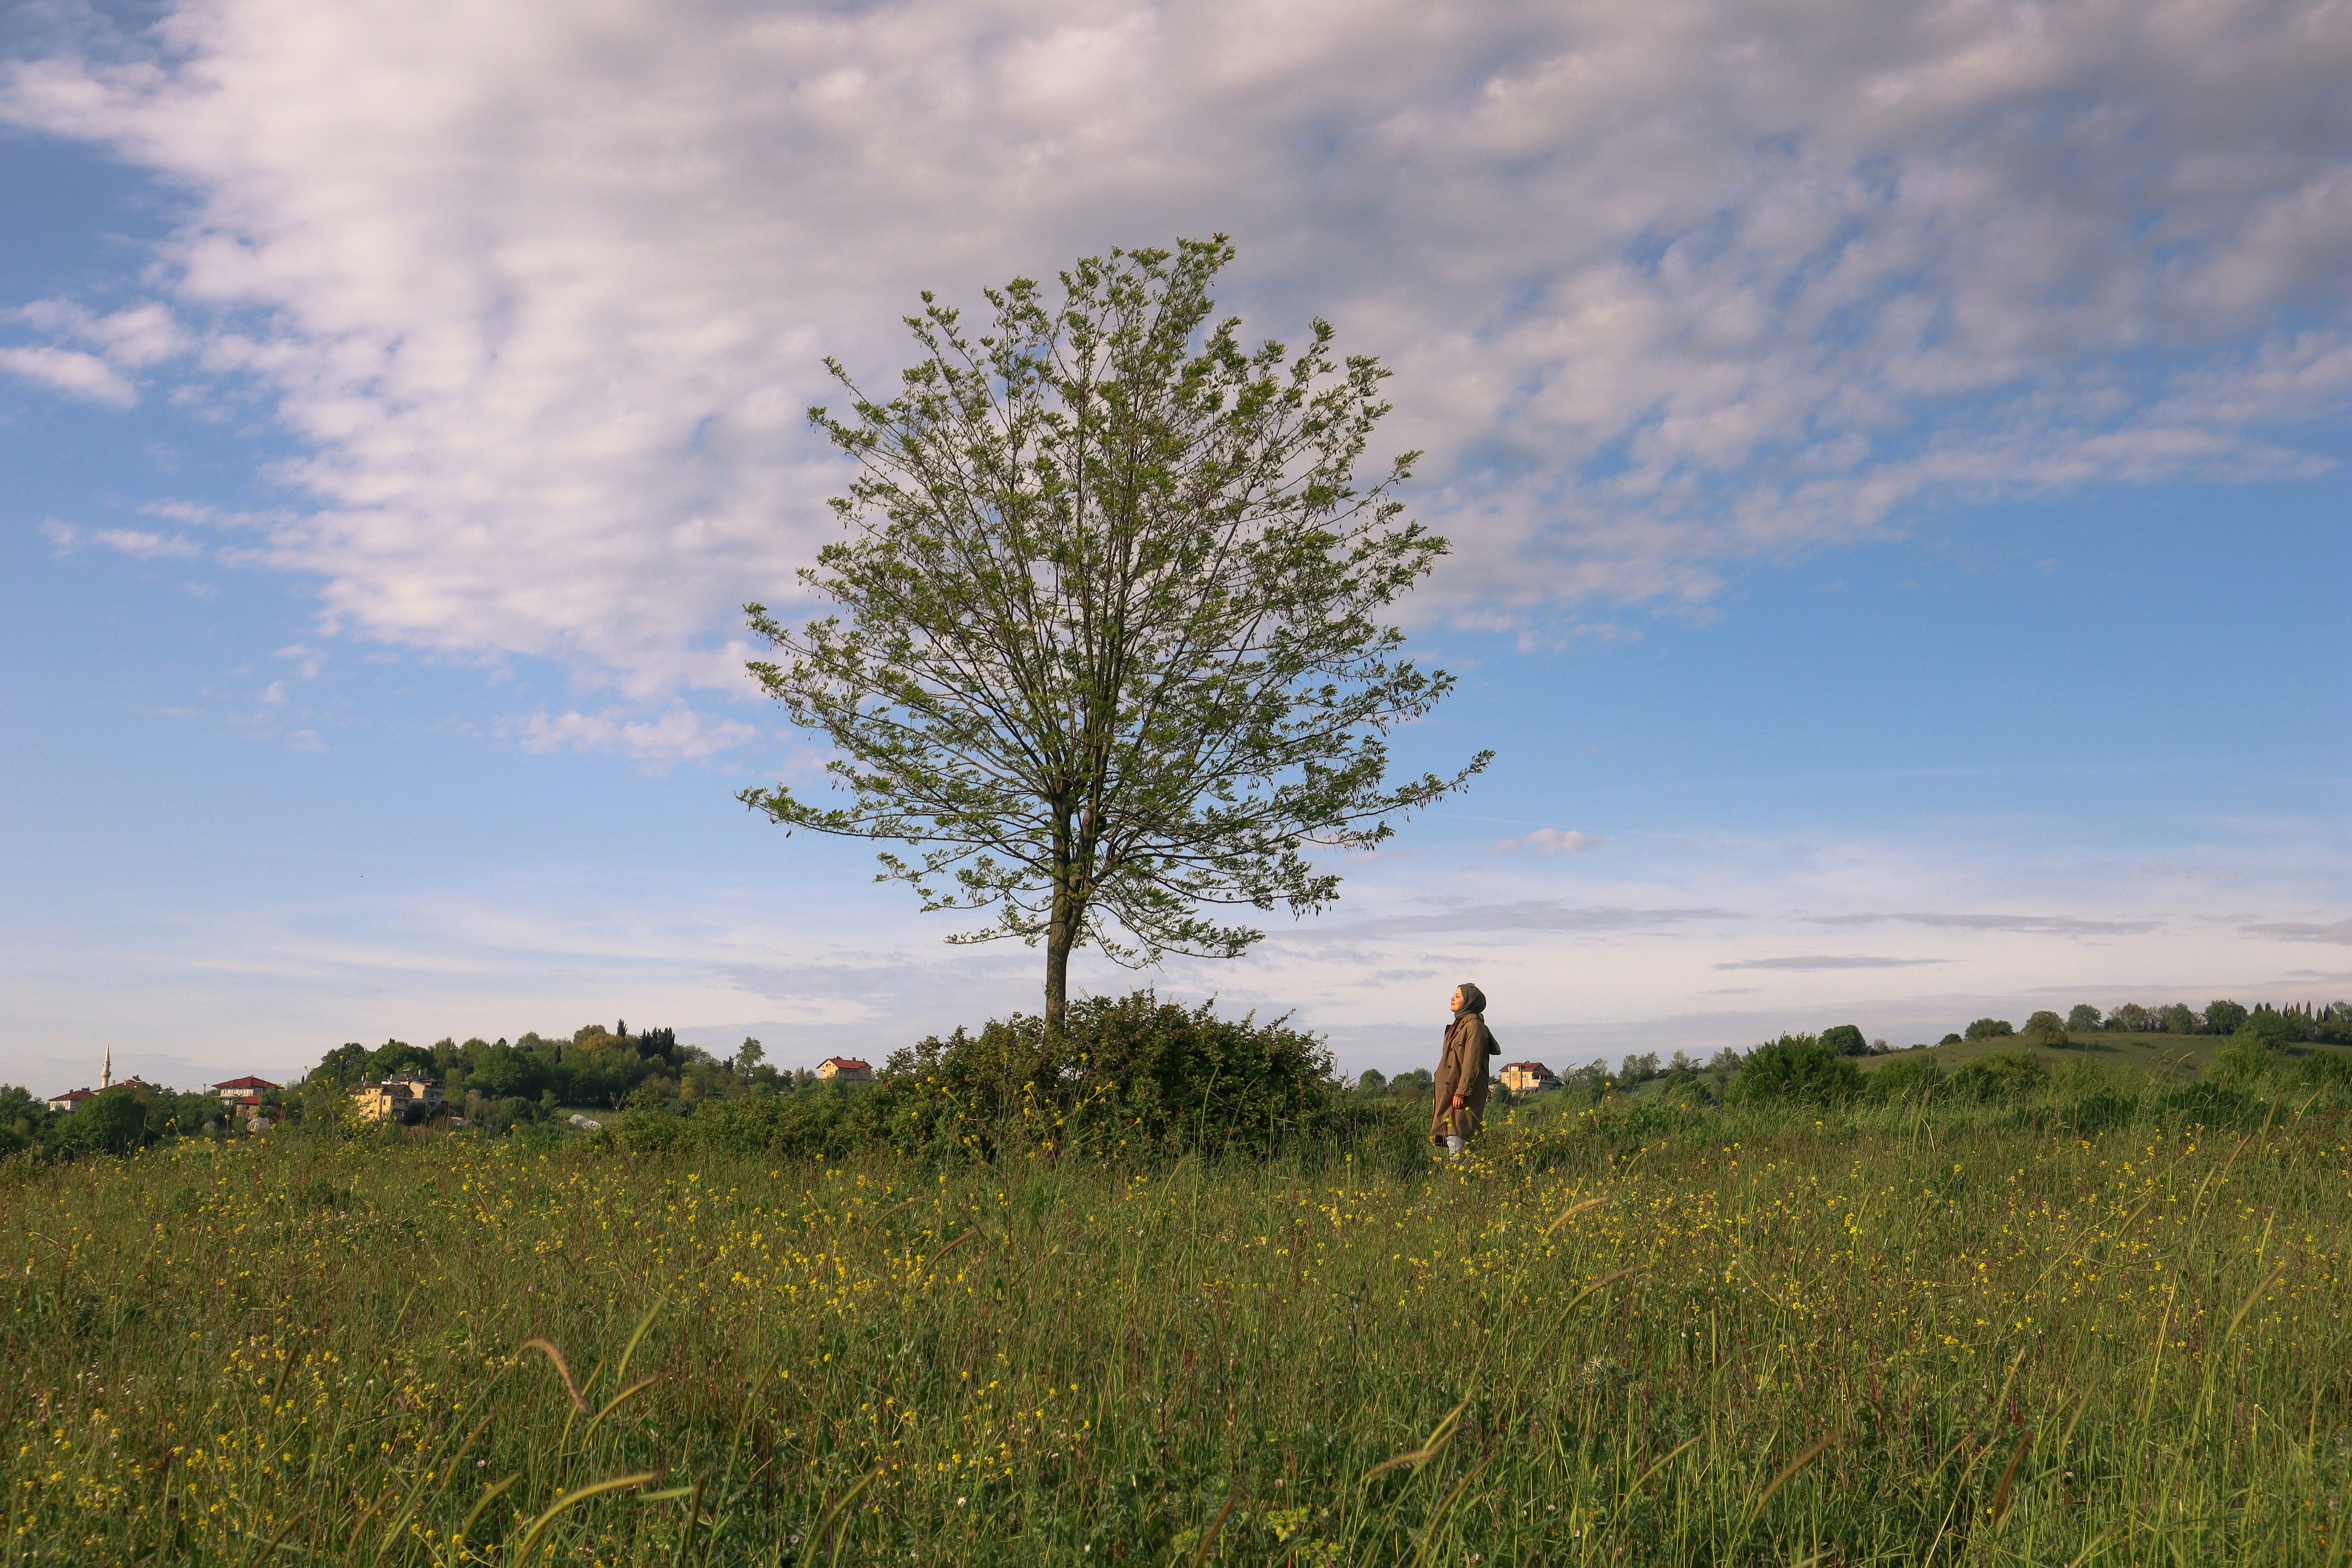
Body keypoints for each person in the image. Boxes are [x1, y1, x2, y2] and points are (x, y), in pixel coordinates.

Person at [1430, 982, 1495, 1156]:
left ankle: (1460, 1172)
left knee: (1458, 1133)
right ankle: (1459, 1171)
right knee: (1453, 1134)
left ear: (1469, 1002)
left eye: (1458, 996)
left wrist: (1462, 1092)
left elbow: (1472, 1062)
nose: (1452, 999)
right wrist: (1440, 1095)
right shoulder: (1458, 1026)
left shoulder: (1475, 1027)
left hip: (1461, 1095)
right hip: (1450, 1093)